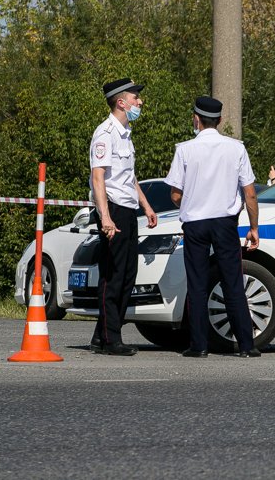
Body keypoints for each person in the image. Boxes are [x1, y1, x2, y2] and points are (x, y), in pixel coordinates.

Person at [165, 96, 261, 358]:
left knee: (197, 283)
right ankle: (246, 344)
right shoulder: (236, 148)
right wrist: (254, 227)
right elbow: (250, 193)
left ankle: (199, 345)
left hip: (195, 223)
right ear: (219, 120)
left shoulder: (185, 149)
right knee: (232, 281)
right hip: (225, 223)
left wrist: (193, 201)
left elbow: (175, 194)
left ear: (196, 119)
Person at [89, 78, 158, 356]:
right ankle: (110, 339)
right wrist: (105, 217)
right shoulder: (105, 133)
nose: (139, 102)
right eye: (135, 98)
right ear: (121, 102)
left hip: (128, 209)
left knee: (129, 274)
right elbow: (98, 178)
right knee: (113, 274)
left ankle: (100, 335)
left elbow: (129, 177)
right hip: (113, 209)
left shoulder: (125, 132)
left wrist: (147, 206)